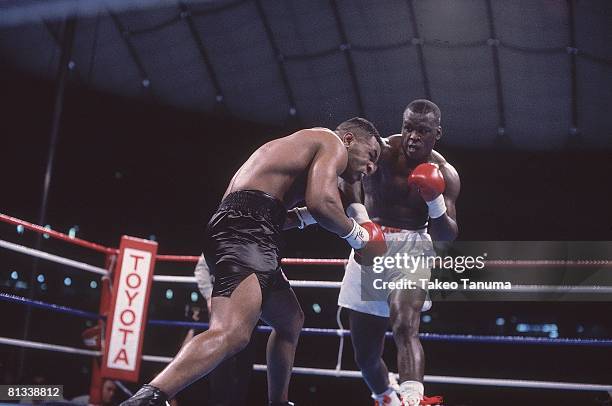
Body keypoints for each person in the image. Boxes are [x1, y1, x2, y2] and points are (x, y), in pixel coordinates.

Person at [121, 118, 385, 406]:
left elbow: (279, 211)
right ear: (348, 139)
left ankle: (278, 402)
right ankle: (147, 399)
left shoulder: (302, 149)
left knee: (289, 320)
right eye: (371, 155)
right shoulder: (331, 142)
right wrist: (359, 236)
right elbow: (322, 203)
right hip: (246, 230)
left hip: (252, 228)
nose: (371, 167)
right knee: (232, 332)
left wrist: (310, 217)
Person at [338, 100, 460, 405]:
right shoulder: (381, 152)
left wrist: (434, 201)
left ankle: (413, 399)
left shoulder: (446, 173)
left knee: (405, 324)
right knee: (365, 356)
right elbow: (347, 179)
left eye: (422, 130)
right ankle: (385, 396)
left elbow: (447, 236)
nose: (413, 137)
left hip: (413, 247)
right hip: (370, 241)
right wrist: (363, 223)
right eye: (408, 128)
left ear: (437, 133)